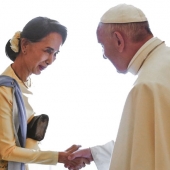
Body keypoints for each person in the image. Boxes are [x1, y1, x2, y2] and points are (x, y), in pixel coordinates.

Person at [66, 3, 170, 170]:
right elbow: (153, 146)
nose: (104, 56)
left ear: (118, 40)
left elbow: (147, 162)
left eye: (102, 45)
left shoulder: (147, 86)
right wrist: (97, 153)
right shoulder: (163, 64)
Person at [0, 17, 90, 170]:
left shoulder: (26, 85)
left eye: (55, 53)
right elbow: (7, 151)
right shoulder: (4, 90)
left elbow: (25, 147)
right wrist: (58, 157)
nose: (51, 60)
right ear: (25, 45)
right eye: (48, 51)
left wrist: (64, 156)